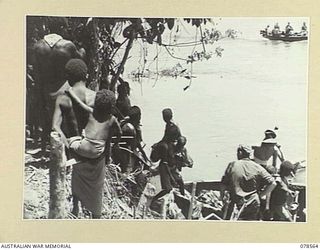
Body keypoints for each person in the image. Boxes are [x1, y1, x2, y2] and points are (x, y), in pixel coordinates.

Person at [33, 17, 86, 152]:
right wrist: (82, 50)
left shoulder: (38, 46)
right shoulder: (67, 45)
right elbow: (79, 61)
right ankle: (72, 149)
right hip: (63, 87)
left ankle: (45, 149)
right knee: (70, 121)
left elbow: (36, 70)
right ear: (62, 28)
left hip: (45, 88)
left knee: (48, 120)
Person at [220, 145, 276, 220]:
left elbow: (223, 185)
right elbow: (273, 183)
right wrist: (260, 195)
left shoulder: (232, 165)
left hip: (236, 203)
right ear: (250, 154)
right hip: (253, 203)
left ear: (240, 153)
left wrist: (223, 199)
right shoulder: (257, 167)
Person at [67, 88, 122, 160]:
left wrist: (70, 91)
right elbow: (119, 132)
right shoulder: (112, 119)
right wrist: (116, 143)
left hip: (83, 149)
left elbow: (79, 103)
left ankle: (67, 159)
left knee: (69, 140)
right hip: (97, 153)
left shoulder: (91, 112)